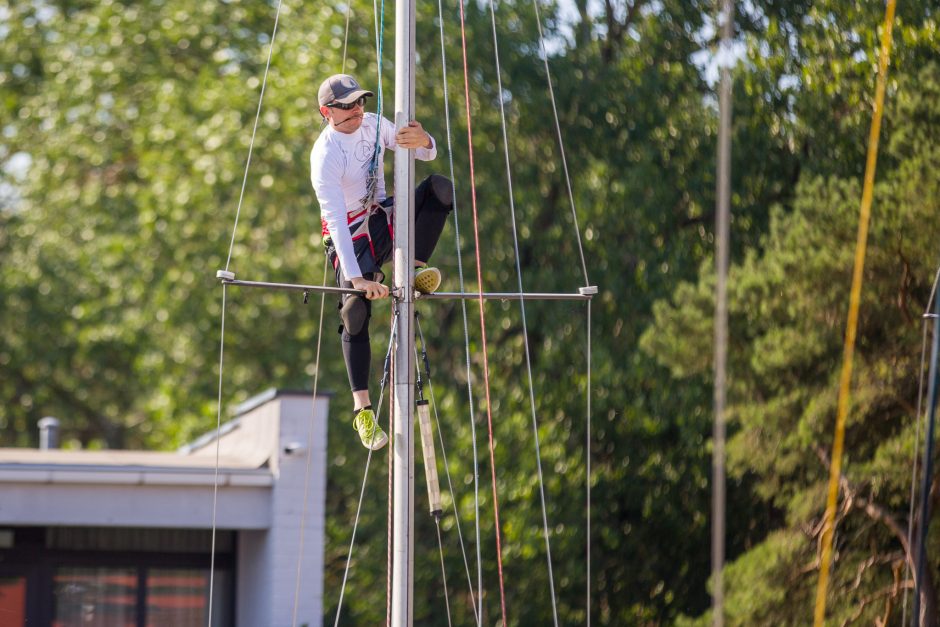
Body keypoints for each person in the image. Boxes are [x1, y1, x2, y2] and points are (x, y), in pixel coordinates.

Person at [310, 74, 454, 450]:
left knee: (440, 188)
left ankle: (415, 266)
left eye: (360, 102)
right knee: (354, 311)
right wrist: (358, 280)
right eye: (347, 106)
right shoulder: (324, 155)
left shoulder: (373, 124)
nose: (357, 110)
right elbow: (337, 221)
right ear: (327, 112)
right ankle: (363, 411)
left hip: (384, 217)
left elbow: (422, 152)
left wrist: (425, 141)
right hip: (352, 232)